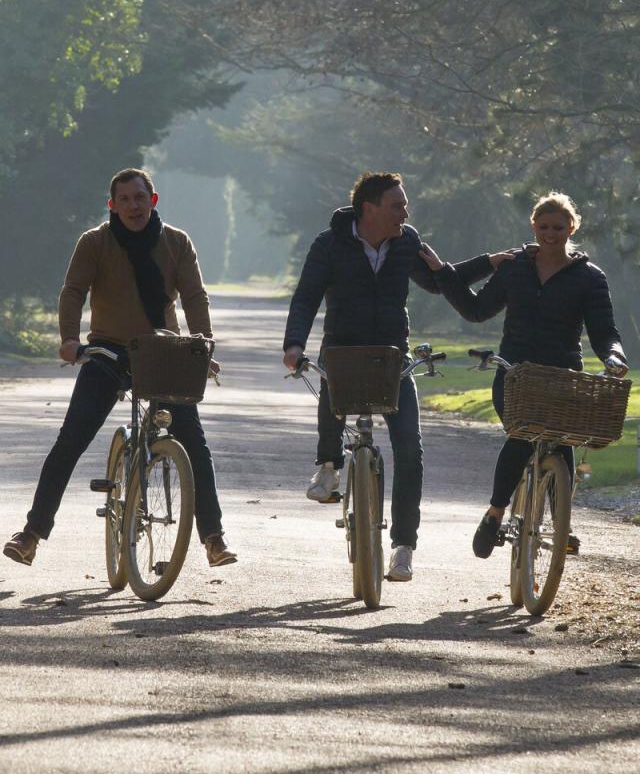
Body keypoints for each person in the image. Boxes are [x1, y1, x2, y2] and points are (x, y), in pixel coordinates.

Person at [3, 168, 237, 569]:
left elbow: (195, 297)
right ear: (112, 205)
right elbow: (73, 291)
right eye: (124, 200)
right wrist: (69, 340)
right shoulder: (95, 243)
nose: (133, 206)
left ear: (153, 200)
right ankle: (32, 534)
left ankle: (213, 538)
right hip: (107, 352)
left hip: (164, 352)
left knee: (194, 443)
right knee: (70, 441)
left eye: (139, 198)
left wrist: (203, 342)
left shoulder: (176, 242)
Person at [282, 171, 510, 582]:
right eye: (397, 205)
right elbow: (306, 297)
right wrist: (293, 346)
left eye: (404, 205)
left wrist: (489, 263)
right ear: (369, 208)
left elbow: (441, 280)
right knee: (330, 374)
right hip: (344, 350)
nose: (405, 212)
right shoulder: (329, 244)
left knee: (411, 449)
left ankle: (403, 547)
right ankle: (328, 466)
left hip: (393, 356)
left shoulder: (406, 240)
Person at [420, 191, 628, 558]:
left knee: (562, 439)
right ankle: (495, 512)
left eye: (558, 228)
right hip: (515, 373)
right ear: (533, 226)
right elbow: (475, 310)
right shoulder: (514, 268)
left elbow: (603, 331)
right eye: (544, 227)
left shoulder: (590, 277)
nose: (550, 234)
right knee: (521, 435)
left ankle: (562, 521)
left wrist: (614, 356)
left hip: (563, 374)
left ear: (572, 228)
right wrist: (444, 274)